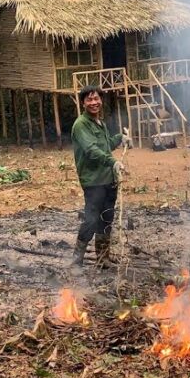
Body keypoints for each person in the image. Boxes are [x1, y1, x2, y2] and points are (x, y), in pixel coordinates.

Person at [71, 85, 130, 266]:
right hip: (94, 181)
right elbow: (91, 150)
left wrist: (120, 138)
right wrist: (113, 162)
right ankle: (76, 260)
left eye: (97, 99)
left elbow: (105, 146)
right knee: (91, 219)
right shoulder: (81, 125)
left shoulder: (100, 123)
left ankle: (103, 259)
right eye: (89, 99)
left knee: (106, 218)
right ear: (83, 102)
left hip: (108, 180)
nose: (94, 102)